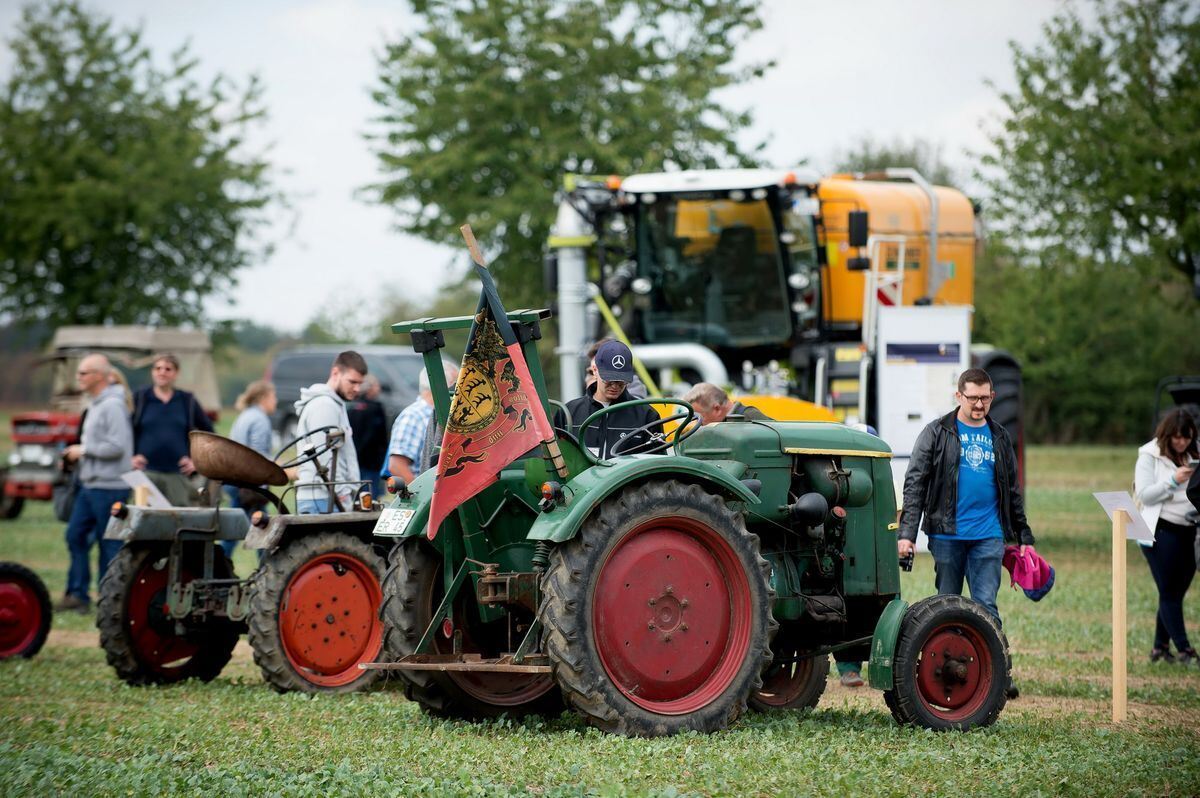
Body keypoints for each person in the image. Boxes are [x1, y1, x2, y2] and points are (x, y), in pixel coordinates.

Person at [897, 367, 1034, 699]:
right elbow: (915, 484)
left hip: (989, 535)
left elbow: (1012, 490)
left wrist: (1024, 537)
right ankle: (947, 670)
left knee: (986, 606)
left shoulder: (999, 436)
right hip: (946, 535)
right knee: (946, 605)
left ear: (992, 396)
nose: (979, 404)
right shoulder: (937, 432)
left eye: (985, 398)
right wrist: (907, 534)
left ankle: (998, 676)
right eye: (973, 397)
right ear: (958, 395)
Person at [55, 354, 133, 612]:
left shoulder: (113, 406)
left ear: (100, 376)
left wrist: (83, 451)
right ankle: (77, 594)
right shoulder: (95, 404)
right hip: (90, 485)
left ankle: (109, 601)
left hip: (110, 487)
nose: (78, 377)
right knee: (75, 535)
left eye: (83, 373)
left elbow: (117, 447)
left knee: (109, 544)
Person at [1134, 408, 1199, 664]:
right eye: (1176, 437)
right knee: (1170, 590)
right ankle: (1185, 650)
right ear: (1167, 435)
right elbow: (1145, 495)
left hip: (1190, 529)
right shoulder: (1149, 455)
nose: (1181, 442)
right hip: (1160, 530)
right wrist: (1173, 480)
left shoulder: (1195, 453)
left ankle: (1159, 647)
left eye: (1187, 437)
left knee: (1175, 592)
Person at [554, 340, 662, 459]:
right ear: (595, 370)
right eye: (609, 379)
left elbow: (658, 465)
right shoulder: (568, 413)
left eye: (621, 381)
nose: (615, 386)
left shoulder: (647, 416)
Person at [131, 353, 214, 506]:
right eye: (158, 368)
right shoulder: (140, 398)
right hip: (146, 473)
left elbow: (209, 433)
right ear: (152, 372)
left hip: (178, 475)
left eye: (168, 369)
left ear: (176, 373)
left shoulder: (187, 400)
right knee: (145, 517)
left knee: (179, 517)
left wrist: (197, 461)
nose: (162, 372)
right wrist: (131, 457)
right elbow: (125, 432)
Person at [293, 351, 366, 514]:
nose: (357, 388)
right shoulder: (324, 406)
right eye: (352, 382)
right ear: (335, 373)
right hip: (323, 499)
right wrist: (343, 495)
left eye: (360, 383)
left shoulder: (334, 403)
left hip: (326, 498)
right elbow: (325, 458)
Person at [220, 380, 276, 557]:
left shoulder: (244, 416)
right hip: (250, 487)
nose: (275, 401)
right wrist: (264, 485)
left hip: (236, 481)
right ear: (263, 397)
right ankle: (266, 568)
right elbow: (257, 456)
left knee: (234, 530)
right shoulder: (260, 420)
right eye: (273, 396)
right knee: (263, 531)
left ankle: (219, 562)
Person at [386, 361, 460, 485]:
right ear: (440, 385)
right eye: (456, 384)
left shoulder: (438, 414)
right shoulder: (413, 416)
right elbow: (397, 466)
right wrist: (422, 493)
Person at [347, 374, 388, 497]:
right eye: (376, 385)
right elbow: (380, 437)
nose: (379, 388)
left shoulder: (351, 407)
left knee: (356, 496)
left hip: (354, 459)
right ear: (369, 388)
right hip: (372, 462)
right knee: (370, 497)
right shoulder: (375, 409)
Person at [583, 338, 647, 399]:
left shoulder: (633, 383)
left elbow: (635, 403)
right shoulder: (589, 380)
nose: (596, 377)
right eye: (591, 372)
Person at [682, 382, 769, 424]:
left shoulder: (751, 417)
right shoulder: (721, 423)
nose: (698, 423)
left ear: (717, 409)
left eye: (701, 417)